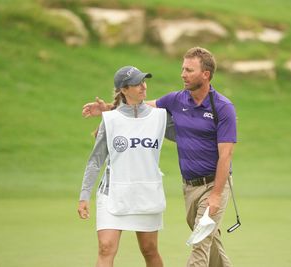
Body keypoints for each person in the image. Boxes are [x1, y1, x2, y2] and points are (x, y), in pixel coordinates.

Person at [82, 47, 237, 267]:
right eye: (183, 68)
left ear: (206, 74)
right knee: (210, 240)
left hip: (215, 184)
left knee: (201, 241)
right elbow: (140, 108)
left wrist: (216, 195)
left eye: (189, 70)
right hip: (190, 186)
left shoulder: (222, 107)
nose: (182, 74)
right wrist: (109, 108)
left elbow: (226, 155)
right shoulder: (175, 100)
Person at [78, 65, 171, 267]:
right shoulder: (110, 120)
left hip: (146, 193)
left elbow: (189, 135)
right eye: (136, 84)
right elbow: (96, 160)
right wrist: (84, 195)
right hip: (112, 193)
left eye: (143, 81)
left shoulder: (160, 117)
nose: (143, 86)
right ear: (124, 90)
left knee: (149, 250)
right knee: (106, 247)